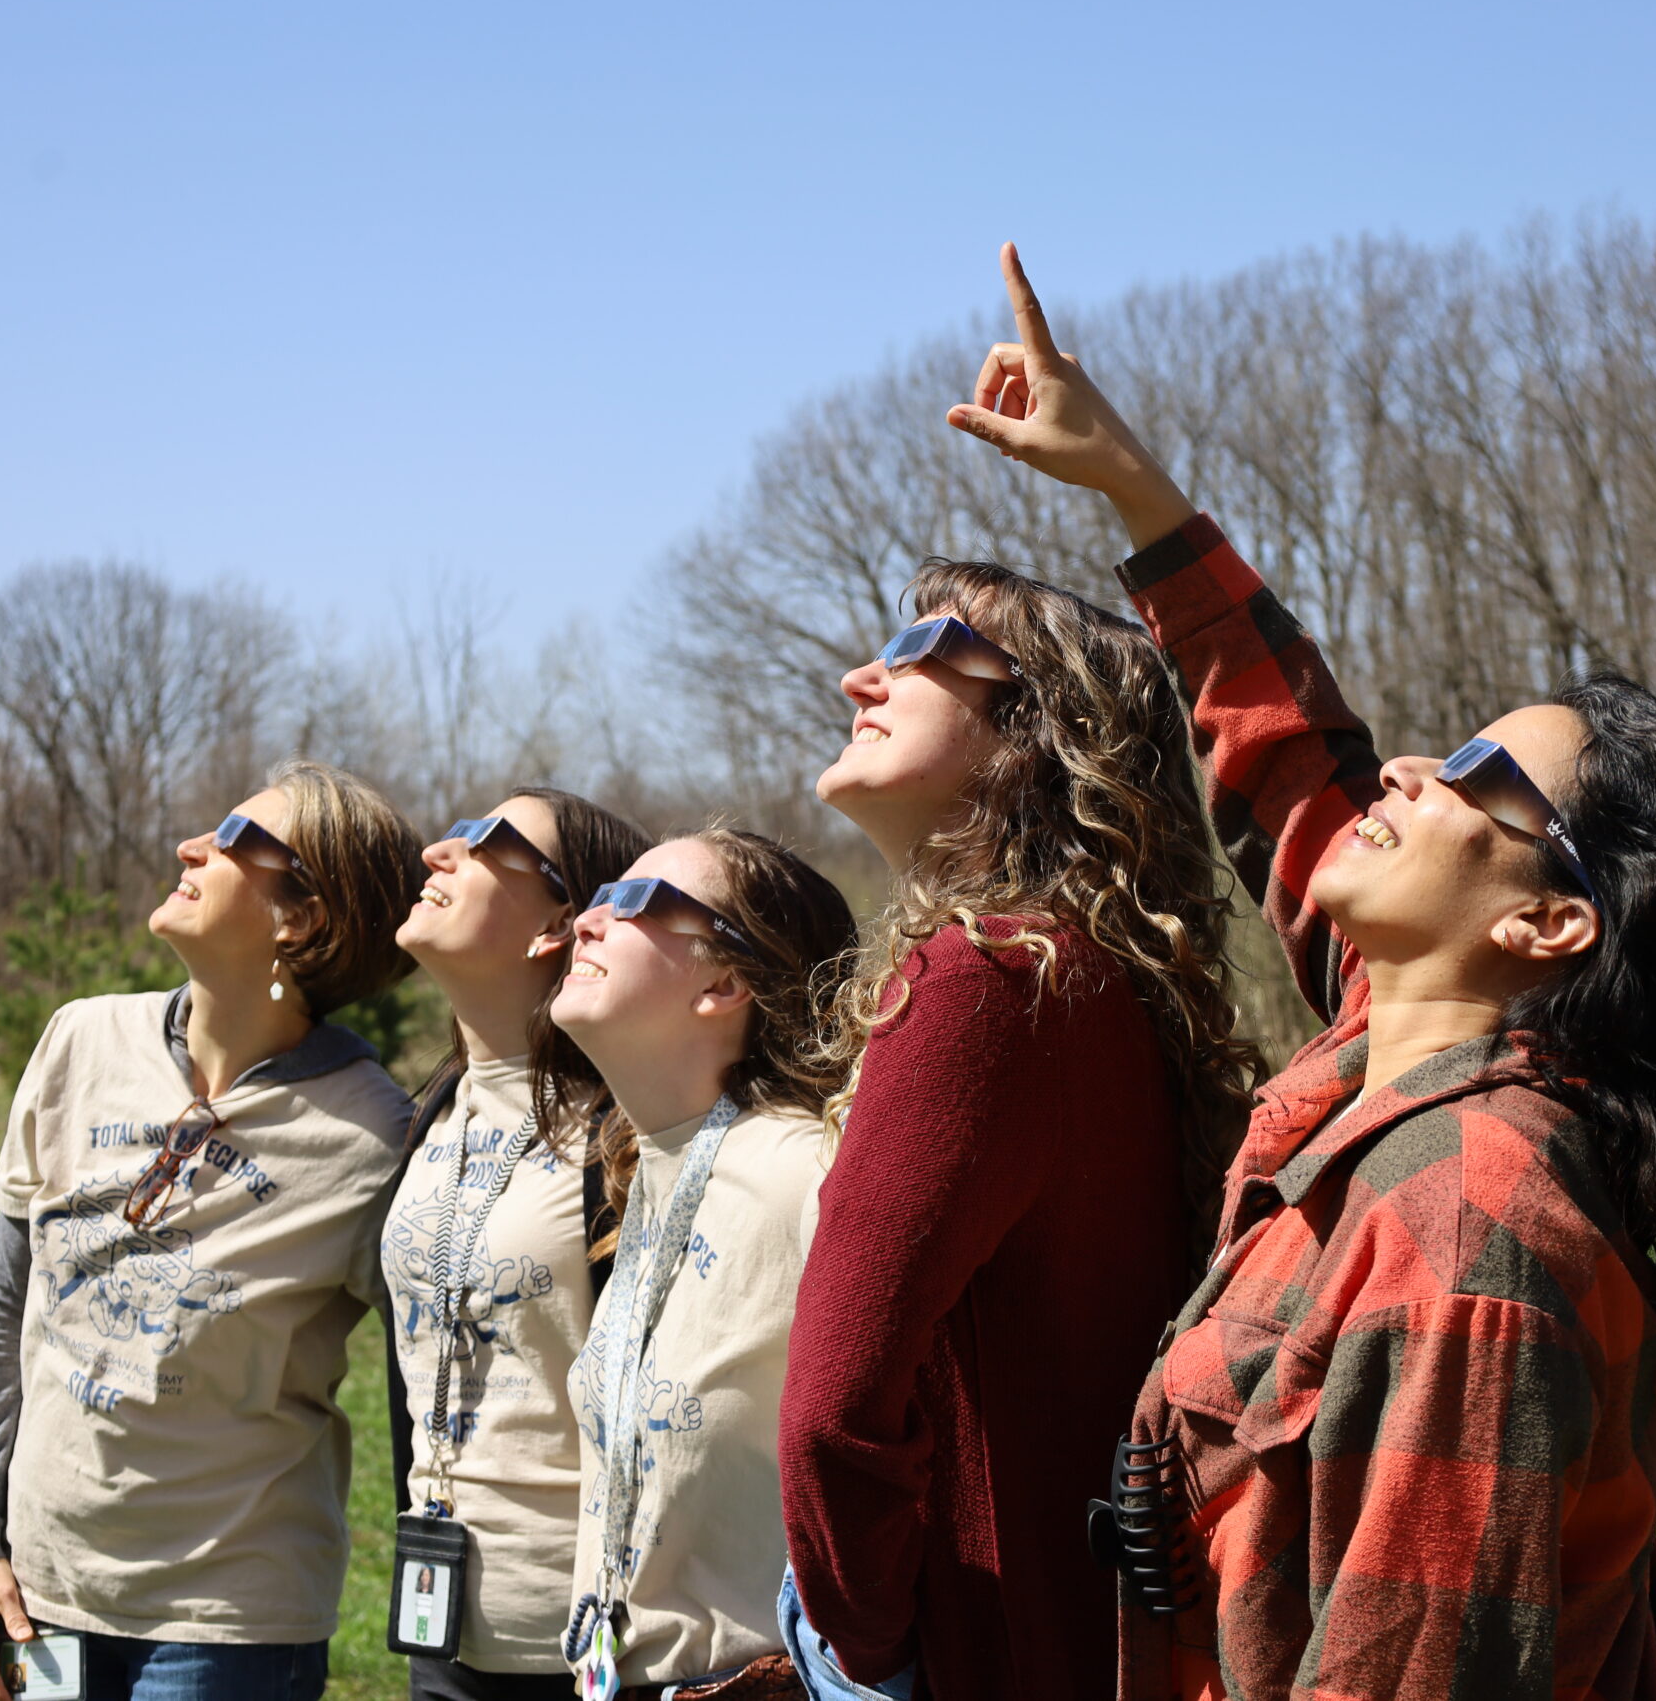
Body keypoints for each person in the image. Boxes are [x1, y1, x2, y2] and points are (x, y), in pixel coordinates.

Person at [946, 243, 1656, 1701]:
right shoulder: (1402, 1045)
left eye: (1484, 777)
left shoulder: (1467, 1236)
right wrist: (1133, 488)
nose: (1415, 769)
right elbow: (1299, 769)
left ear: (1551, 925)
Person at [775, 484, 1261, 1695]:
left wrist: (866, 1644)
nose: (861, 680)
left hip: (973, 1646)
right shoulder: (1098, 978)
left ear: (1037, 730)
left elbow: (832, 1409)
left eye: (924, 649)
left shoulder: (985, 979)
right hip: (1081, 1634)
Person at [0, 760, 423, 1701]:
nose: (189, 846)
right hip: (42, 1588)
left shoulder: (378, 1137)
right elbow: (6, 1305)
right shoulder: (79, 1039)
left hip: (228, 1621)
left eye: (238, 839)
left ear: (304, 916)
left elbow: (436, 1380)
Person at [551, 830, 859, 1701]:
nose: (587, 918)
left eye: (636, 902)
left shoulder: (809, 1173)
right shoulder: (652, 1165)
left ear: (725, 984)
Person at [379, 788, 652, 1701]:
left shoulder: (622, 1135)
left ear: (559, 924)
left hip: (588, 1645)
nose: (437, 853)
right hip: (443, 1626)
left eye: (486, 840)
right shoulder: (427, 1117)